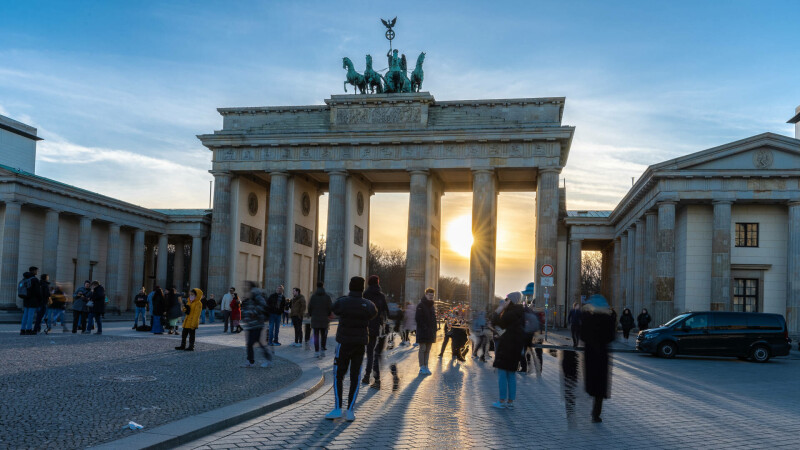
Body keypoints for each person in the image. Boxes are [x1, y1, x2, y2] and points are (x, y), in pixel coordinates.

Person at [325, 276, 377, 422]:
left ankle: (337, 408)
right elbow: (374, 313)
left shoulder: (343, 302)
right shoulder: (368, 304)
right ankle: (350, 410)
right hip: (360, 344)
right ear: (362, 288)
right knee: (355, 376)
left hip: (344, 343)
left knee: (338, 375)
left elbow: (333, 310)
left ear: (349, 286)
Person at [581, 294, 616, 423]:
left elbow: (582, 336)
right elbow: (611, 337)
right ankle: (596, 414)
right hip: (602, 354)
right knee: (600, 385)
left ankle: (590, 394)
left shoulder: (588, 319)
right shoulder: (608, 320)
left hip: (590, 354)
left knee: (592, 380)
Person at [491, 292, 526, 409]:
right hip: (515, 347)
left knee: (502, 374)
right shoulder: (520, 312)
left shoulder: (511, 313)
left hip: (507, 347)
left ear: (511, 300)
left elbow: (495, 322)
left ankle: (501, 401)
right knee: (511, 374)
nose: (505, 301)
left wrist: (499, 309)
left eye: (506, 299)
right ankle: (510, 402)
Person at [362, 275, 389, 389]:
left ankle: (367, 376)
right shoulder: (381, 296)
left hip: (366, 326)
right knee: (374, 353)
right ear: (378, 283)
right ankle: (375, 378)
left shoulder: (365, 294)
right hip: (377, 328)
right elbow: (386, 311)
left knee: (368, 352)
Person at [240, 282, 272, 368]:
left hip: (257, 324)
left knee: (252, 343)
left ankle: (265, 358)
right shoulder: (250, 296)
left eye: (246, 286)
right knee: (252, 343)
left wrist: (253, 313)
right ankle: (251, 361)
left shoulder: (256, 295)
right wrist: (245, 316)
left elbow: (263, 305)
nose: (244, 287)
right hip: (251, 324)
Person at [415, 288, 437, 376]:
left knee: (428, 350)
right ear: (426, 295)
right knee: (422, 349)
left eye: (432, 295)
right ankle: (422, 367)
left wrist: (435, 328)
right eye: (429, 295)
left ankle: (426, 366)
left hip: (430, 331)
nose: (431, 297)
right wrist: (424, 327)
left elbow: (434, 319)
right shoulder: (420, 305)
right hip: (423, 331)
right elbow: (418, 318)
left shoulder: (432, 306)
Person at [308, 281, 333, 358]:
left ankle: (316, 351)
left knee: (315, 335)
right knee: (324, 335)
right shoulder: (327, 297)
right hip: (324, 319)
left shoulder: (313, 297)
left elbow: (309, 307)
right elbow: (330, 307)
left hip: (315, 318)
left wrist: (311, 314)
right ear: (323, 286)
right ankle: (322, 348)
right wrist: (328, 314)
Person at [19, 268, 42, 335]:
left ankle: (22, 329)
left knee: (25, 315)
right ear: (33, 271)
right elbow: (37, 291)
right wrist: (40, 299)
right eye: (36, 270)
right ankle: (29, 329)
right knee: (30, 315)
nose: (37, 272)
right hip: (33, 300)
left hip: (26, 299)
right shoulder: (35, 280)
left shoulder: (25, 279)